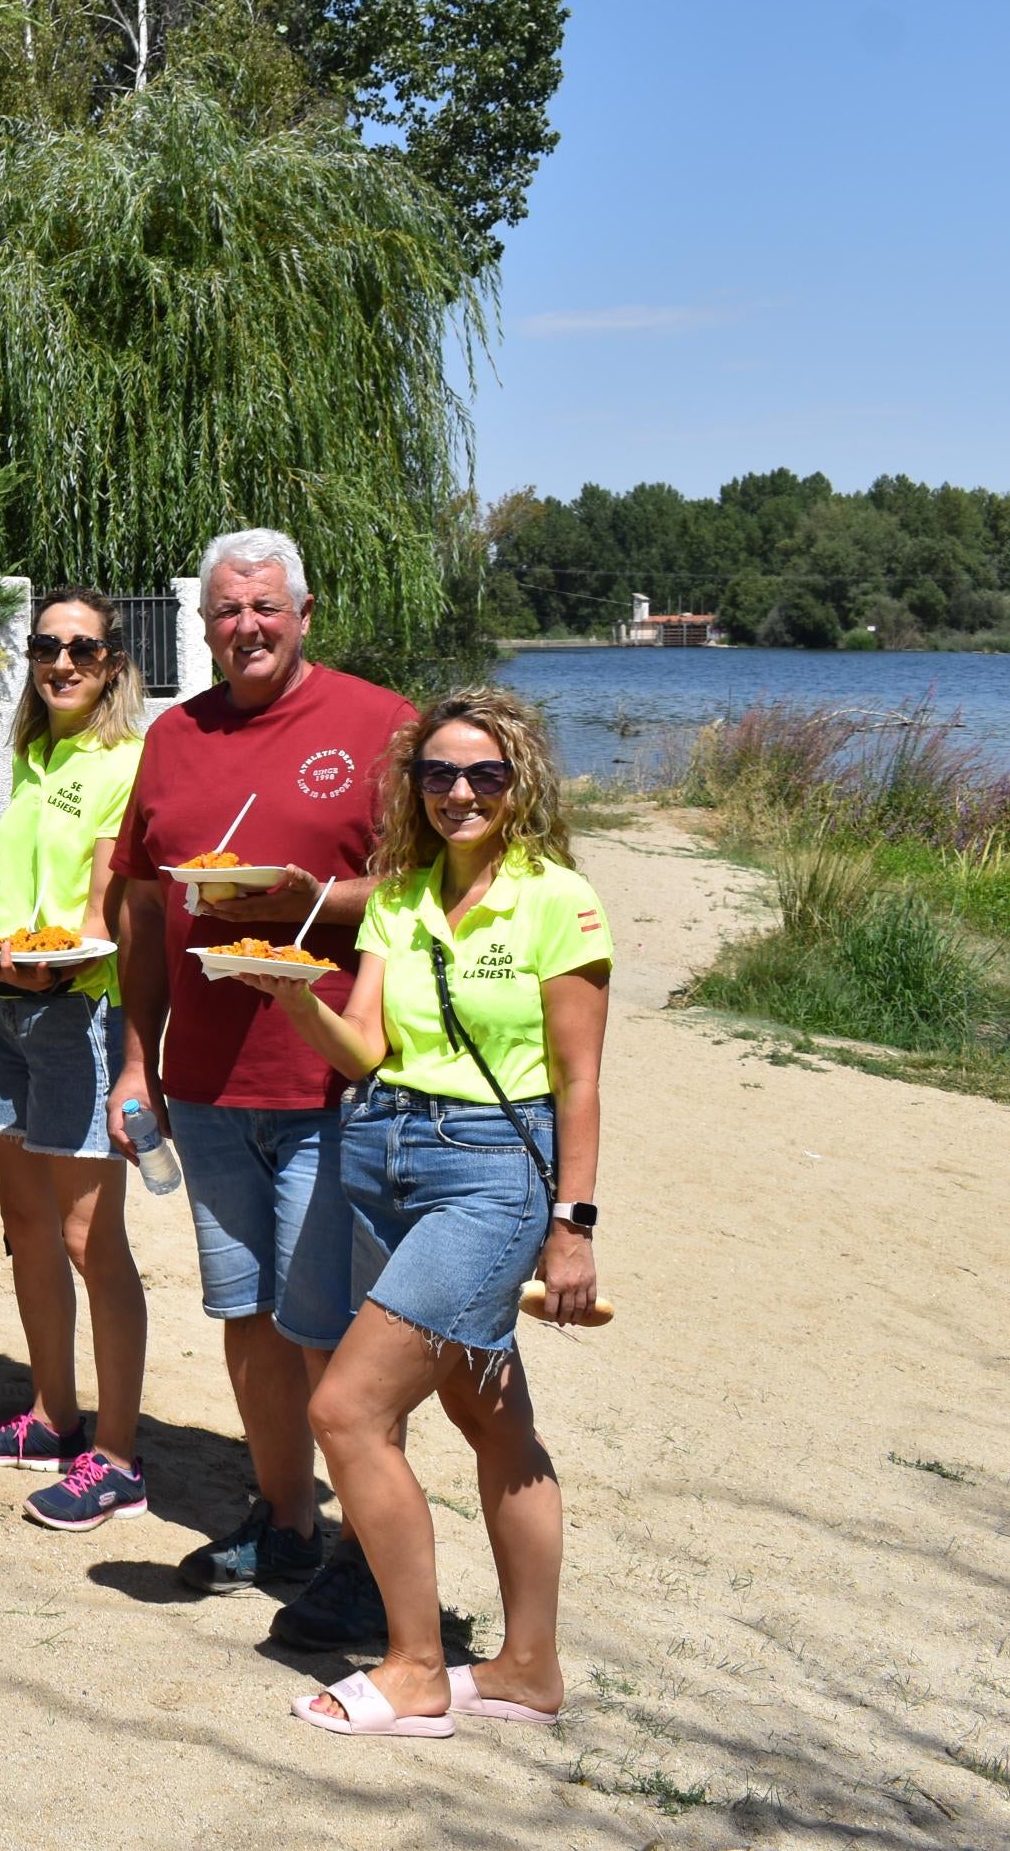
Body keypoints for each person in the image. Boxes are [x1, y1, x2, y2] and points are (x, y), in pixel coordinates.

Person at [254, 689, 607, 1736]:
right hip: (384, 1155)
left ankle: (414, 1666)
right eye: (440, 774)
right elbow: (364, 1048)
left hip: (495, 1172)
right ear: (413, 784)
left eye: (485, 774)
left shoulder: (559, 900)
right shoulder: (399, 899)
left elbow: (580, 1082)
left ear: (521, 783)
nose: (460, 792)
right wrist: (290, 995)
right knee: (491, 1415)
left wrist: (573, 1223)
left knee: (347, 1408)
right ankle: (529, 1669)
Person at [106, 529, 414, 1624]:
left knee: (329, 1324)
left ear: (304, 611)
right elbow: (144, 912)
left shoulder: (378, 724)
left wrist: (306, 902)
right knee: (246, 1313)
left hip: (334, 1078)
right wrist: (137, 1057)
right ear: (203, 625)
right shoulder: (174, 737)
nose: (246, 627)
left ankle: (371, 1561)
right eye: (227, 611)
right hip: (206, 1086)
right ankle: (285, 1518)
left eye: (265, 608)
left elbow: (430, 891)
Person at [0, 593, 153, 1532]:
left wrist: (40, 954)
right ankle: (53, 1416)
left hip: (78, 1011)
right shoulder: (30, 755)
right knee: (26, 1228)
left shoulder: (126, 763)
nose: (61, 661)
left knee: (86, 1240)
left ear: (113, 661)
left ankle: (117, 1456)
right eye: (46, 646)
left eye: (82, 648)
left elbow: (107, 914)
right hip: (6, 1009)